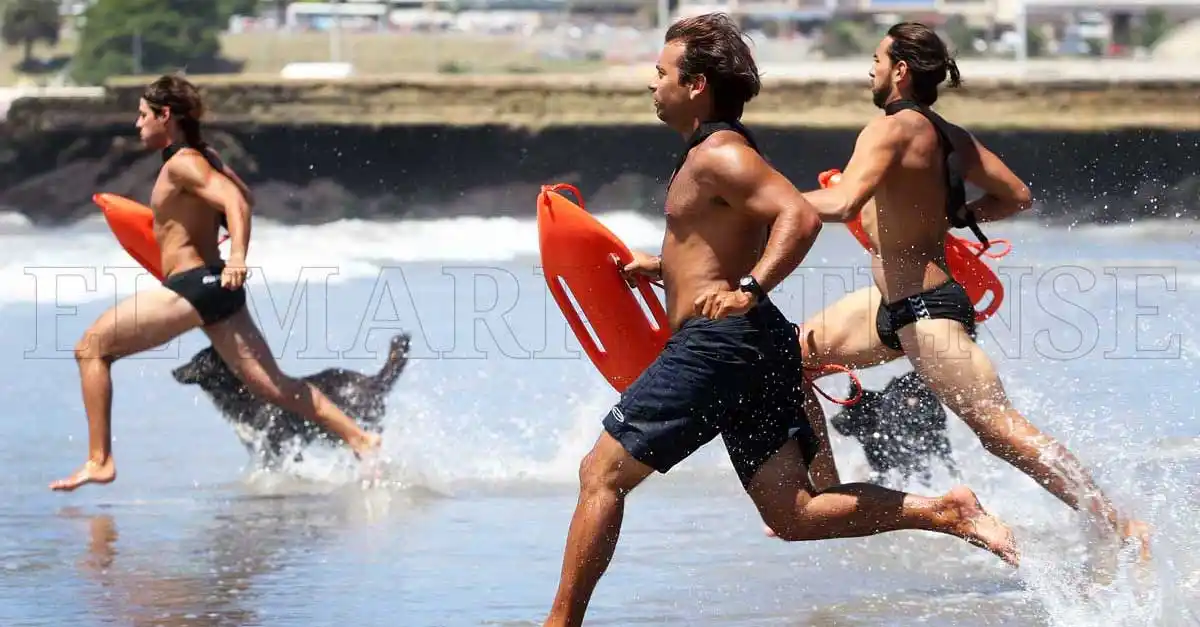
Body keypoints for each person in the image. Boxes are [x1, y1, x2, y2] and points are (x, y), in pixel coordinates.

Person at [542, 14, 1018, 627]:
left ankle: (560, 623)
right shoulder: (711, 158)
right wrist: (664, 268)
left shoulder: (720, 155)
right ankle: (944, 512)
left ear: (696, 86)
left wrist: (749, 287)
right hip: (754, 345)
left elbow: (799, 216)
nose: (651, 84)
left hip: (719, 346)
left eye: (662, 73)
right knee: (794, 512)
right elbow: (730, 241)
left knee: (600, 474)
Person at [793, 22, 1150, 559]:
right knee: (793, 355)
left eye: (876, 59)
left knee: (998, 430)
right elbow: (1016, 196)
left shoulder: (888, 129)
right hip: (889, 305)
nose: (870, 68)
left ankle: (1120, 522)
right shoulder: (948, 135)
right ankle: (824, 493)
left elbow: (841, 203)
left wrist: (750, 203)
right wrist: (959, 215)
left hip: (928, 311)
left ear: (900, 70)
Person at [50, 74, 381, 492]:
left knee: (92, 348)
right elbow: (245, 197)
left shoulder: (183, 163)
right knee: (273, 386)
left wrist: (239, 255)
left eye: (142, 115)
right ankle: (361, 439)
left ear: (164, 115)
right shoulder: (201, 157)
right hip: (215, 288)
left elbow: (235, 203)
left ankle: (99, 460)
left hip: (196, 284)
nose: (137, 125)